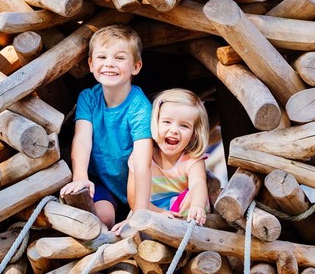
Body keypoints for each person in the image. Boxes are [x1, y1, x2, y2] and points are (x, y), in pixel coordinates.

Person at [60, 24, 153, 229]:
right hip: (101, 181)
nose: (109, 64)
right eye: (102, 58)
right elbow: (82, 139)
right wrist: (81, 178)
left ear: (136, 67)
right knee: (102, 218)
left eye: (119, 58)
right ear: (91, 64)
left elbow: (142, 162)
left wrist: (139, 211)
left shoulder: (140, 107)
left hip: (134, 186)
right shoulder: (89, 98)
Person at [128, 88, 210, 226]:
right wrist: (159, 213)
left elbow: (198, 183)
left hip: (181, 213)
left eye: (184, 126)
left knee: (191, 198)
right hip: (150, 210)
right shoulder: (140, 156)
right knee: (134, 216)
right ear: (155, 123)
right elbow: (133, 198)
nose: (174, 130)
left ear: (194, 134)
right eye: (167, 122)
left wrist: (198, 205)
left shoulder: (192, 160)